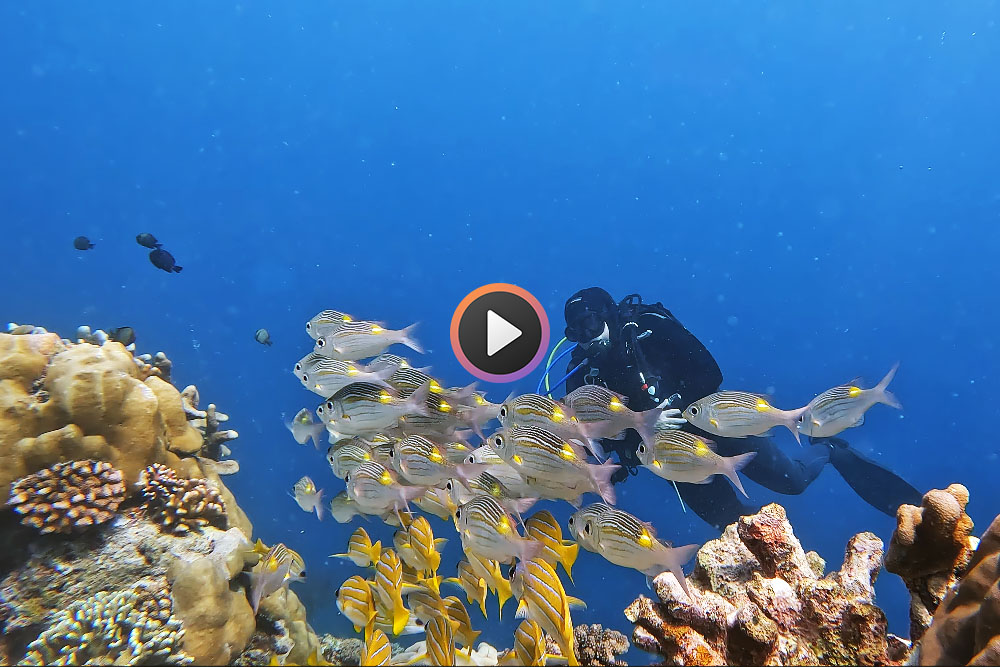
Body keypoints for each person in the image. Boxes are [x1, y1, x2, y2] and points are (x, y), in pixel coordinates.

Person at [559, 287, 922, 530]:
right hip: (671, 458)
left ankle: (829, 450)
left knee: (793, 482)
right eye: (575, 331)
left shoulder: (649, 329)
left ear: (608, 314)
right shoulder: (582, 376)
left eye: (590, 323)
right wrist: (638, 441)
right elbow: (598, 446)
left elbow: (709, 372)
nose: (587, 337)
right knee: (731, 524)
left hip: (719, 423)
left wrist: (679, 409)